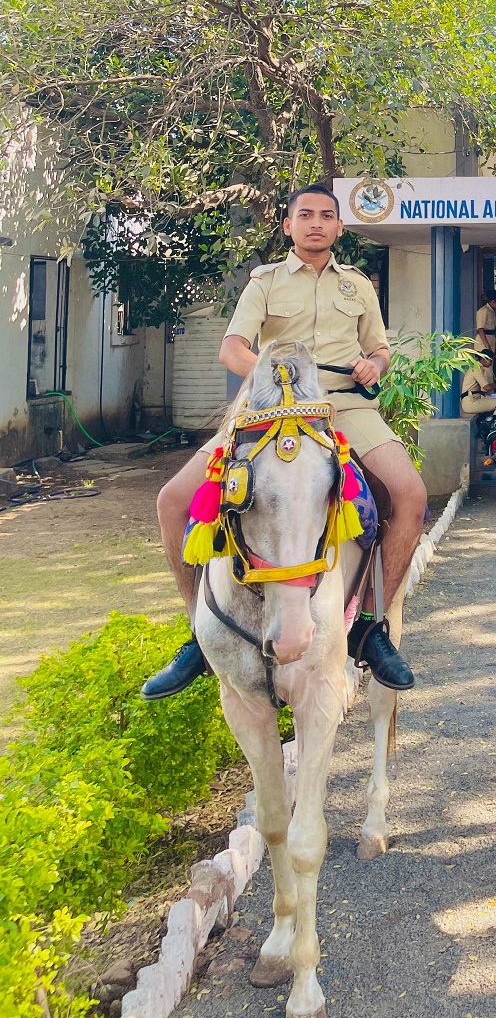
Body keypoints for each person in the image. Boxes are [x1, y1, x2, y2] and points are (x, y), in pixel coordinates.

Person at [140, 186, 427, 700]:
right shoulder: (265, 281)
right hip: (268, 407)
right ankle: (198, 636)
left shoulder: (358, 285)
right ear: (288, 225)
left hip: (344, 408)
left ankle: (368, 626)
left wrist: (374, 364)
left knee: (411, 495)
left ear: (339, 227)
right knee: (173, 500)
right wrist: (279, 378)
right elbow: (232, 351)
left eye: (327, 216)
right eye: (305, 215)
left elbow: (380, 349)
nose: (316, 223)